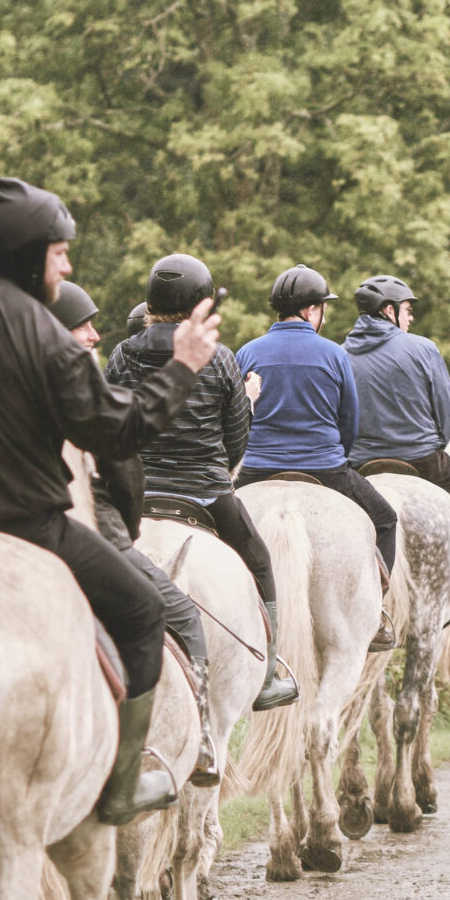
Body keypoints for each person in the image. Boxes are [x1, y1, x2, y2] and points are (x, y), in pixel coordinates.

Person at [0, 177, 217, 826]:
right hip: (26, 529)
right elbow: (118, 431)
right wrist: (184, 366)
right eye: (60, 252)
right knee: (141, 613)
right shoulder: (44, 335)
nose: (69, 265)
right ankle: (118, 785)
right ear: (29, 253)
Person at [108, 253, 300, 719]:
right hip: (206, 493)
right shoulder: (219, 358)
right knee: (259, 559)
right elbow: (236, 443)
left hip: (137, 495)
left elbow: (110, 431)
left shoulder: (121, 353)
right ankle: (270, 671)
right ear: (201, 304)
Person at [44, 282, 227, 751]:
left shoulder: (110, 359)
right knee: (176, 613)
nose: (92, 336)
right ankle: (186, 743)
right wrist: (126, 532)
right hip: (101, 525)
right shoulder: (77, 385)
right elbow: (124, 464)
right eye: (81, 326)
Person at [232, 266, 402, 649]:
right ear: (311, 310)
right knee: (386, 519)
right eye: (323, 307)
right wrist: (331, 453)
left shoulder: (247, 352)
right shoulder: (334, 354)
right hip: (324, 468)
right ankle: (375, 615)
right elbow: (350, 423)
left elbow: (236, 417)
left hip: (256, 469)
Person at [342, 275, 450, 623]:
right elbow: (445, 408)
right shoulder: (423, 348)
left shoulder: (340, 353)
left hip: (359, 464)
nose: (410, 318)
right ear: (389, 310)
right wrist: (438, 442)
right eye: (407, 309)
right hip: (422, 458)